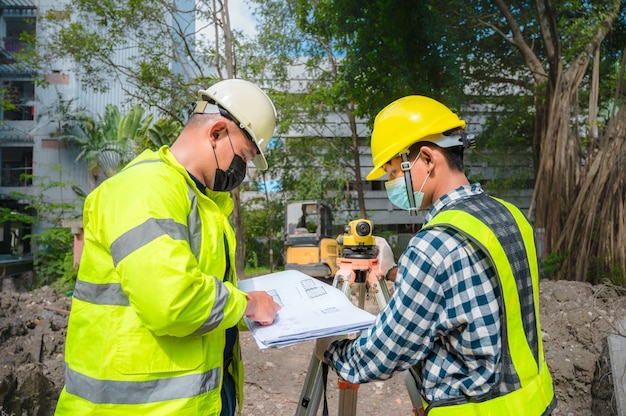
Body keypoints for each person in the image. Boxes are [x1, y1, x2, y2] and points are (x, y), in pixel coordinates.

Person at [316, 95, 556, 415]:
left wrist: (335, 354)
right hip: (534, 402)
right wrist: (390, 272)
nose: (391, 184)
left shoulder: (433, 244)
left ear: (428, 159)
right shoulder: (512, 217)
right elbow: (470, 294)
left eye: (392, 172)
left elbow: (392, 347)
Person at [55, 79, 282, 416]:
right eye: (244, 157)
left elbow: (206, 297)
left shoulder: (204, 204)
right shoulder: (145, 189)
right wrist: (249, 305)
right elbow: (172, 302)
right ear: (217, 133)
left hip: (192, 402)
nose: (242, 172)